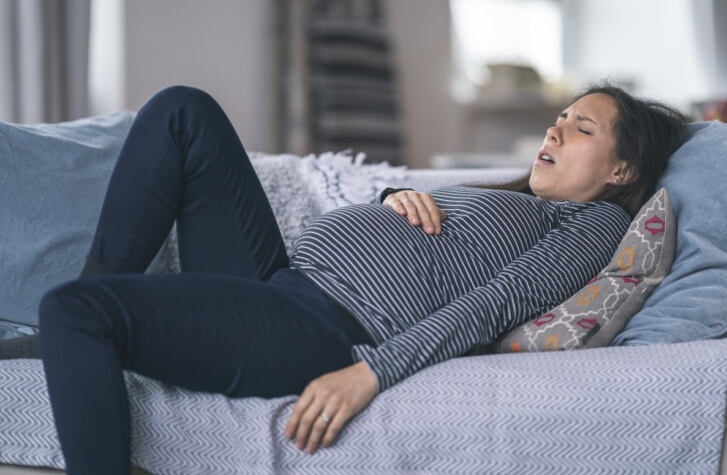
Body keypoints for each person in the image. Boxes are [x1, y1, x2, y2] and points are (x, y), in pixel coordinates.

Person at [32, 83, 684, 474]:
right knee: (183, 111)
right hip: (280, 279)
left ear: (623, 170)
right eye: (561, 115)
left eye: (583, 126)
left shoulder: (595, 223)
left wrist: (368, 371)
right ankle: (78, 319)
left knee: (77, 309)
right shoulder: (519, 201)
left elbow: (497, 301)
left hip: (319, 326)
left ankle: (68, 334)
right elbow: (446, 247)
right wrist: (396, 198)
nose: (557, 126)